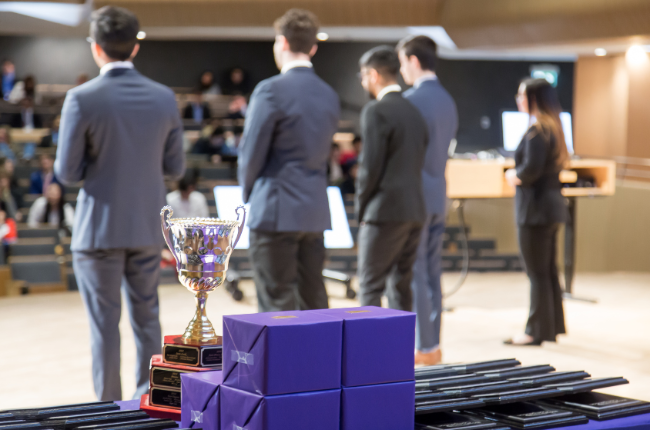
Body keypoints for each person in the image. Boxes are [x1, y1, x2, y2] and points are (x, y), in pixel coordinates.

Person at [54, 6, 185, 401]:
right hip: (147, 227)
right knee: (148, 321)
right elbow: (175, 167)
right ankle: (149, 403)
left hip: (98, 232)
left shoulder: (81, 98)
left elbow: (68, 172)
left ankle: (109, 408)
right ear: (135, 47)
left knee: (104, 328)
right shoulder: (164, 98)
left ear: (96, 48)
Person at [238, 8, 340, 312]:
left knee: (276, 301)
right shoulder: (329, 94)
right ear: (313, 47)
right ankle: (320, 361)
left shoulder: (270, 90)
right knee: (314, 301)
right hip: (314, 211)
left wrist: (248, 195)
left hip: (276, 209)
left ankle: (282, 363)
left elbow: (251, 152)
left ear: (281, 43)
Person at [397, 35, 458, 365]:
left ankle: (424, 348)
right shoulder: (448, 100)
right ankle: (433, 344)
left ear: (414, 61)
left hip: (415, 199)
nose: (402, 69)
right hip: (439, 195)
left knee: (417, 274)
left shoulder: (410, 101)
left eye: (403, 62)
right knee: (432, 274)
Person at [356, 46, 428, 312]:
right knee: (401, 285)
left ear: (373, 75)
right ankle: (399, 354)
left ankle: (366, 354)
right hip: (415, 210)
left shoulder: (376, 111)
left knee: (370, 286)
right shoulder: (415, 112)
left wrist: (361, 209)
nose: (363, 82)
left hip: (384, 211)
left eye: (363, 76)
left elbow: (369, 169)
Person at [504, 78, 568, 346]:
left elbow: (529, 171)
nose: (518, 100)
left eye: (522, 95)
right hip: (551, 208)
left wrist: (512, 175)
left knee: (537, 273)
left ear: (535, 98)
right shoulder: (553, 127)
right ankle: (551, 328)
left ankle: (534, 331)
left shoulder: (537, 131)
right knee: (548, 270)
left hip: (535, 211)